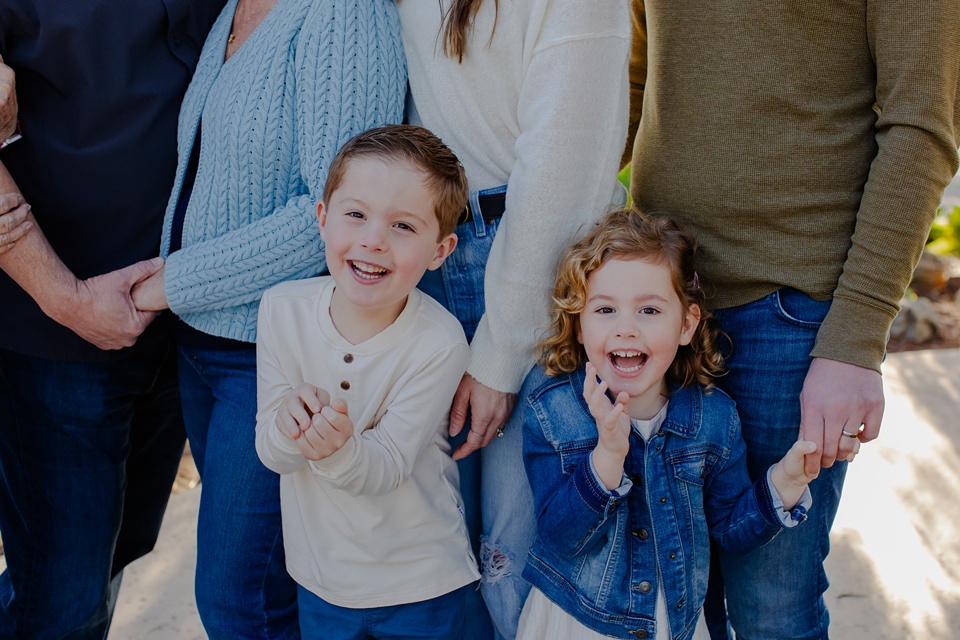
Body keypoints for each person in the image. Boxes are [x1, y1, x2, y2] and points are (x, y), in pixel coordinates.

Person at [625, 1, 960, 637]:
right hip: (658, 304)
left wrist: (854, 339)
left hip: (791, 312)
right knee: (668, 604)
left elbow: (922, 126)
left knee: (770, 612)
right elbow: (637, 79)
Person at [128, 0, 405, 636]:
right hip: (203, 343)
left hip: (272, 358)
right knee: (249, 594)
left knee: (243, 602)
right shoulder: (234, 8)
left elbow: (338, 219)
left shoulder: (345, 14)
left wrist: (172, 282)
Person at [396, 2, 630, 635]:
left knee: (520, 568)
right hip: (426, 255)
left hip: (535, 259)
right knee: (437, 573)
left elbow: (565, 167)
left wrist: (500, 354)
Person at [0, 1, 224, 637]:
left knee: (105, 556)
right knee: (65, 604)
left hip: (182, 323)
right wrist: (67, 298)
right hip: (54, 337)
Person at [517, 208, 824, 640]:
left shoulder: (714, 419)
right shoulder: (556, 411)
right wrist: (608, 454)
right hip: (578, 623)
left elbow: (728, 532)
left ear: (686, 324)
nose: (626, 329)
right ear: (579, 325)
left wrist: (784, 484)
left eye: (648, 310)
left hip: (675, 625)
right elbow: (558, 537)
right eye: (604, 309)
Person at [254, 125, 479, 639]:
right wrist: (290, 427)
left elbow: (387, 466)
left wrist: (333, 449)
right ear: (323, 219)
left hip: (422, 582)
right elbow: (272, 453)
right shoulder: (281, 311)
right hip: (323, 581)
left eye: (403, 226)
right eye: (355, 214)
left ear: (439, 251)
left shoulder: (438, 341)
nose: (373, 240)